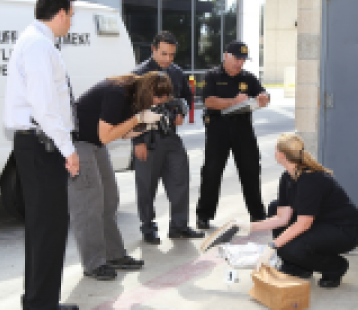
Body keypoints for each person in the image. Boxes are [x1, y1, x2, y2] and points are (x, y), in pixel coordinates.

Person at [4, 0, 79, 310]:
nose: (71, 22)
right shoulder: (38, 44)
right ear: (60, 13)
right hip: (42, 145)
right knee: (49, 229)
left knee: (43, 229)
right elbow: (44, 105)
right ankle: (41, 304)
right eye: (71, 15)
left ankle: (39, 301)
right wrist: (68, 149)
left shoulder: (35, 41)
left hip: (36, 144)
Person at [68, 71, 172, 280]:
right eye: (156, 98)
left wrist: (147, 125)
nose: (156, 103)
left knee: (109, 200)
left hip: (95, 143)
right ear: (148, 90)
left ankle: (113, 255)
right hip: (79, 144)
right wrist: (138, 118)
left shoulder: (134, 95)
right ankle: (93, 263)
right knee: (89, 205)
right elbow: (105, 135)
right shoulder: (118, 92)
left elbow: (122, 133)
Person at [234, 133, 358, 288]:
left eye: (275, 149)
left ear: (281, 155)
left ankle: (336, 267)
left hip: (344, 231)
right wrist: (250, 226)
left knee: (289, 247)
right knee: (275, 207)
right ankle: (298, 266)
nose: (274, 153)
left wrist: (273, 246)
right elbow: (282, 218)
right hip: (320, 223)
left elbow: (303, 224)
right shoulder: (287, 177)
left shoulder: (310, 180)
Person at [132, 31, 204, 244]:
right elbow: (131, 110)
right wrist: (137, 142)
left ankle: (179, 226)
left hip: (171, 137)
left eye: (172, 54)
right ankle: (148, 228)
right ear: (153, 50)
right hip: (146, 137)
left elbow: (186, 98)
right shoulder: (138, 74)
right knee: (147, 186)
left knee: (180, 180)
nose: (168, 59)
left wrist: (181, 112)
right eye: (164, 54)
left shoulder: (176, 72)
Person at [196, 40, 270, 230]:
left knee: (251, 170)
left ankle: (257, 214)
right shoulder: (213, 75)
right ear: (226, 56)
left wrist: (264, 98)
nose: (240, 63)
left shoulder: (248, 78)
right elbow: (209, 101)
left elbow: (263, 93)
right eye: (237, 58)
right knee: (212, 172)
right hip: (218, 129)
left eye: (243, 60)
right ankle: (204, 215)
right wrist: (233, 102)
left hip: (243, 129)